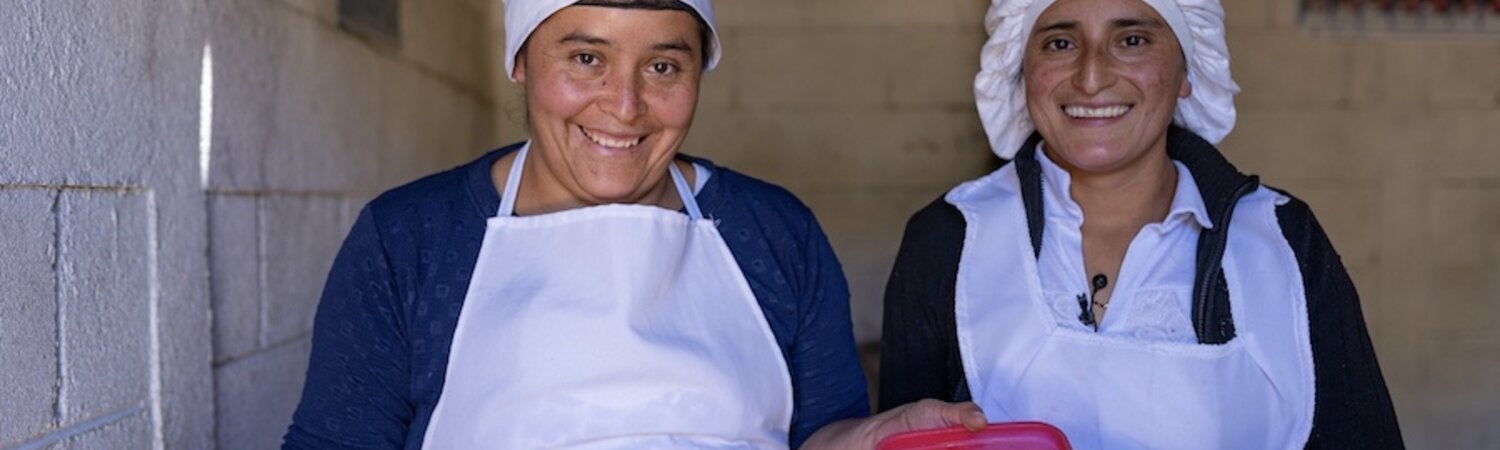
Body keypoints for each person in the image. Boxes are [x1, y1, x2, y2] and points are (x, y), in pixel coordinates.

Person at [281, 1, 889, 447]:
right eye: (587, 58)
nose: (624, 107)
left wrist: (869, 440)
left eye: (662, 68)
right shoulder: (409, 240)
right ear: (521, 62)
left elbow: (823, 431)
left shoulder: (775, 232)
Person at [878, 0, 1404, 448]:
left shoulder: (1280, 240)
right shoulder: (950, 238)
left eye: (1131, 39)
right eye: (1060, 44)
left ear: (1187, 72)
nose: (1091, 77)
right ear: (1021, 68)